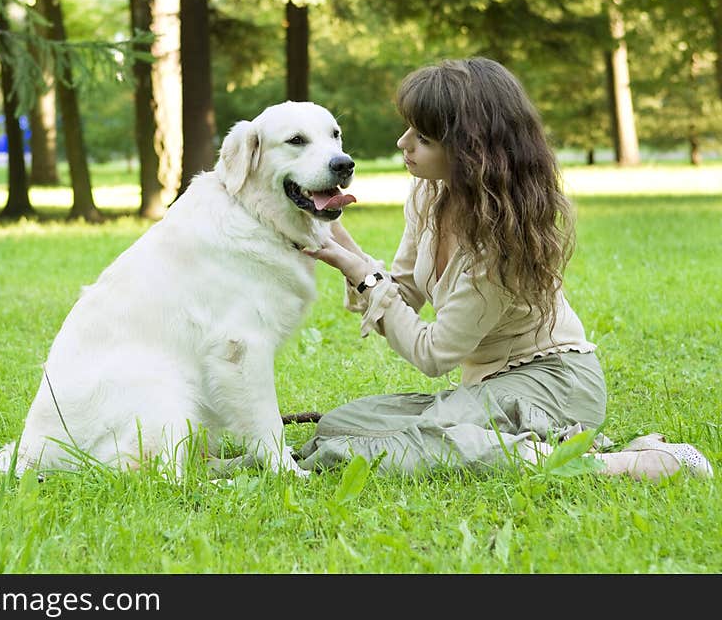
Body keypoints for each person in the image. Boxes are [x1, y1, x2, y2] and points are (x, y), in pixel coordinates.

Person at [298, 57, 713, 481]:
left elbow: (433, 354)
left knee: (421, 444)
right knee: (342, 425)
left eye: (422, 136)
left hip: (554, 384)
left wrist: (361, 272)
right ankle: (530, 445)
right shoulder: (428, 193)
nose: (403, 142)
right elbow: (402, 294)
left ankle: (627, 464)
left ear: (468, 150)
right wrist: (334, 236)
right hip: (485, 390)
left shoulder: (502, 243)